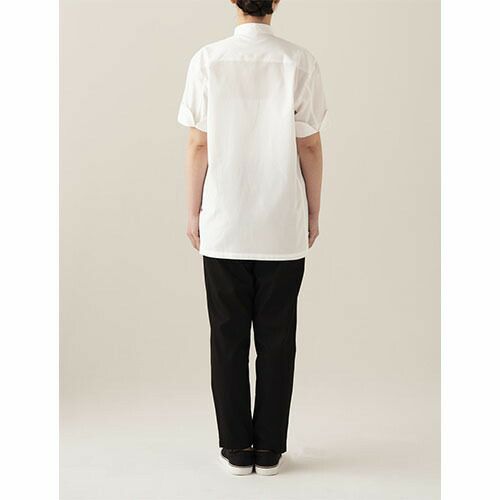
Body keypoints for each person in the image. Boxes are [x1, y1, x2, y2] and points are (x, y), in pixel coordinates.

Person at [178, 0, 327, 476]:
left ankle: (237, 450)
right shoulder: (299, 61)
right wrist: (314, 209)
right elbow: (309, 144)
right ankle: (270, 450)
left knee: (227, 338)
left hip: (225, 221)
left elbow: (198, 143)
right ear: (276, 2)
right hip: (281, 222)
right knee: (277, 339)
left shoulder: (208, 60)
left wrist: (193, 210)